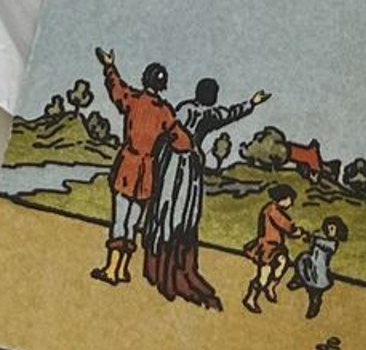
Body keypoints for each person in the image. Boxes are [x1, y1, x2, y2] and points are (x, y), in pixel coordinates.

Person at [142, 76, 269, 308]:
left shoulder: (183, 108)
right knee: (178, 215)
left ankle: (162, 270)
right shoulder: (203, 114)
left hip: (171, 164)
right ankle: (171, 274)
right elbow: (227, 114)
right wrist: (252, 103)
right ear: (208, 95)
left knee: (169, 214)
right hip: (183, 169)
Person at [91, 47, 192, 287]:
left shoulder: (134, 100)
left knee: (120, 221)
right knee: (133, 223)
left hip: (128, 165)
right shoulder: (165, 111)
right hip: (148, 172)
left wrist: (109, 66)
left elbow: (116, 88)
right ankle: (123, 268)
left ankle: (112, 270)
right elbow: (183, 141)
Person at [241, 183, 304, 314]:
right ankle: (251, 298)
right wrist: (298, 232)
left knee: (283, 262)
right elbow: (287, 226)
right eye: (289, 200)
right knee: (264, 275)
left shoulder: (274, 209)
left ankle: (270, 287)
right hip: (268, 247)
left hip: (276, 247)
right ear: (282, 198)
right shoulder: (272, 211)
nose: (290, 203)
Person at [292, 216, 347, 320]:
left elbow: (322, 244)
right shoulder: (322, 238)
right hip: (312, 265)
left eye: (332, 229)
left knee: (315, 292)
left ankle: (314, 305)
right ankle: (299, 279)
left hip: (319, 272)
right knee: (302, 259)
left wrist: (312, 239)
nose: (328, 230)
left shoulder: (332, 244)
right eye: (328, 227)